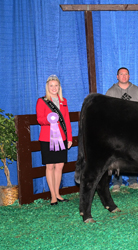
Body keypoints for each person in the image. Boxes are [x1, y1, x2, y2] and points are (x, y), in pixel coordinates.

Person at [36, 75, 73, 205]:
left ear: (59, 87)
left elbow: (67, 121)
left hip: (62, 137)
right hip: (47, 138)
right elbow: (39, 119)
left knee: (60, 166)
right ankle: (52, 195)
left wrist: (69, 138)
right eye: (51, 85)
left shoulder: (64, 101)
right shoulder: (42, 101)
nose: (54, 88)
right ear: (48, 87)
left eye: (56, 85)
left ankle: (58, 193)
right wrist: (50, 119)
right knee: (50, 166)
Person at [106, 67, 138, 192]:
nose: (123, 76)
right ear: (117, 76)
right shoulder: (110, 92)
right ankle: (117, 182)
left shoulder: (137, 91)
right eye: (121, 74)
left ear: (129, 76)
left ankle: (133, 181)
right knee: (117, 155)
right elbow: (107, 113)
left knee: (133, 154)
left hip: (133, 129)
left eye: (126, 74)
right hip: (117, 130)